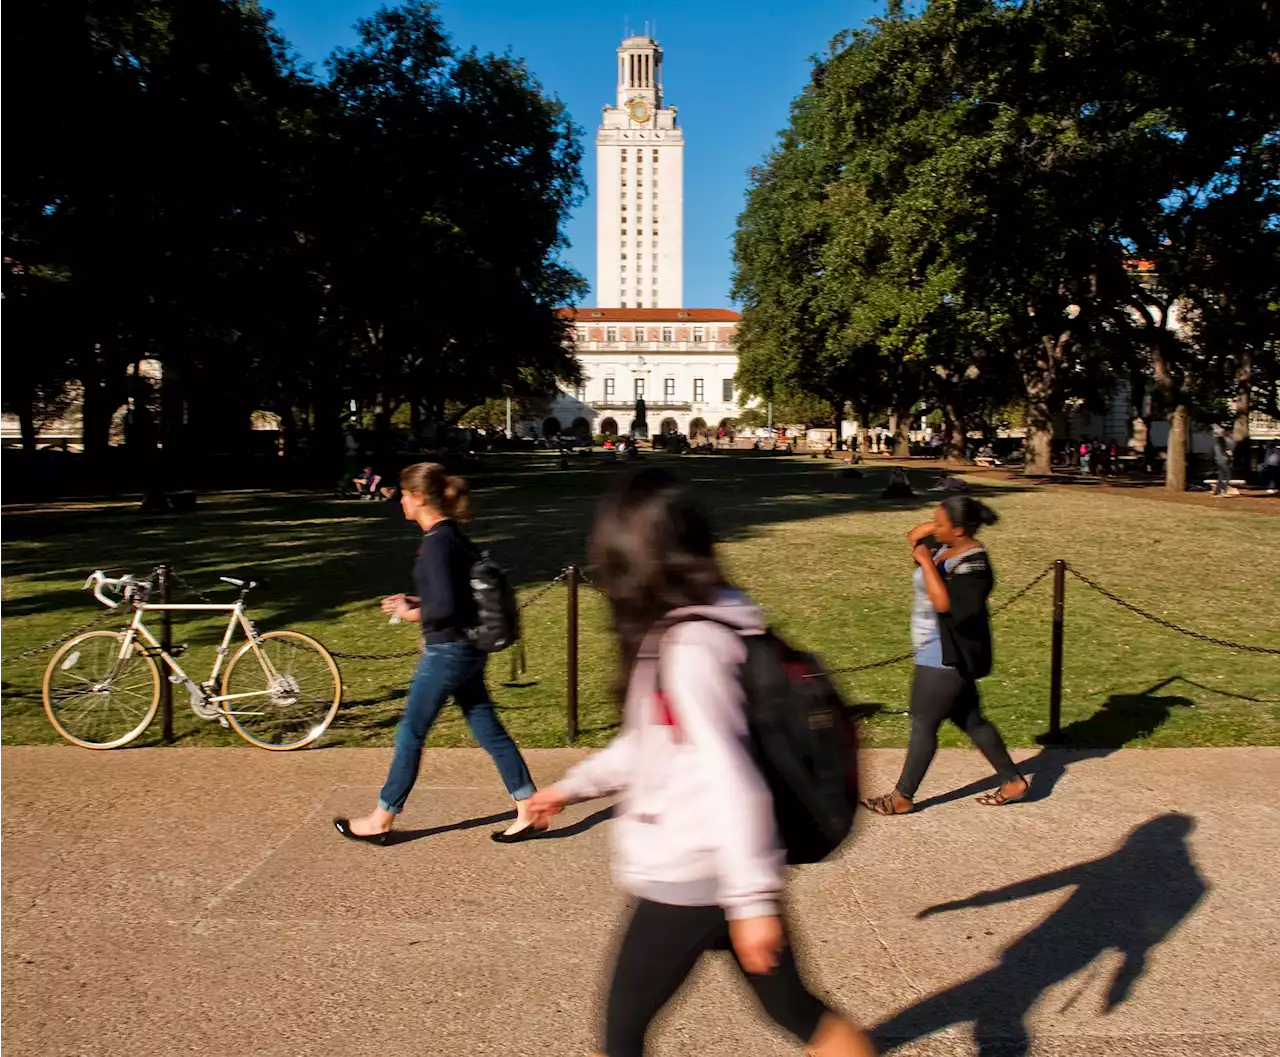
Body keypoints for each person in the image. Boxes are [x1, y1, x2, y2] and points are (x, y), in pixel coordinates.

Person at [524, 469, 876, 1057]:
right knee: (796, 1012)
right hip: (717, 870)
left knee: (623, 1033)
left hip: (695, 875)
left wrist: (752, 901)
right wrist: (570, 789)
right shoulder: (699, 626)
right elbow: (650, 745)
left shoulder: (692, 647)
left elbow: (730, 776)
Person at [334, 462, 542, 845]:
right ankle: (529, 805)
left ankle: (381, 818)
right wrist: (415, 598)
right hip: (468, 648)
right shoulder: (453, 537)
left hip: (448, 650)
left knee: (411, 731)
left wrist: (408, 612)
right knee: (487, 728)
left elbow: (446, 606)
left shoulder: (436, 543)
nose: (399, 500)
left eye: (402, 493)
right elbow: (458, 594)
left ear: (416, 498)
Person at [862, 495, 1027, 815]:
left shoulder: (974, 565)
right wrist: (935, 527)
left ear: (960, 531)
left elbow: (945, 605)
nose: (933, 529)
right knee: (973, 721)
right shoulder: (947, 547)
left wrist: (926, 561)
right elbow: (914, 537)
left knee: (923, 723)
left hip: (944, 654)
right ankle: (1013, 781)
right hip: (935, 648)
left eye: (941, 524)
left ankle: (902, 797)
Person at [1211, 427, 1235, 496]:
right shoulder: (1222, 440)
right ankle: (1224, 491)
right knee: (1228, 474)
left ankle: (1217, 492)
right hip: (1222, 460)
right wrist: (1231, 456)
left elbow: (1214, 451)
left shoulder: (1215, 441)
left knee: (1221, 476)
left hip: (1218, 460)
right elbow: (1226, 449)